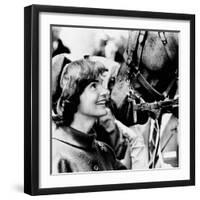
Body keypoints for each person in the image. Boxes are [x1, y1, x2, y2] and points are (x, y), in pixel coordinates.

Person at [52, 59, 126, 173]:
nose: (105, 91)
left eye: (102, 84)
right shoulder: (55, 155)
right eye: (94, 86)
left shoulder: (106, 153)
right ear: (73, 94)